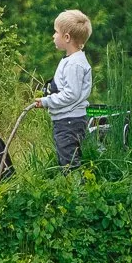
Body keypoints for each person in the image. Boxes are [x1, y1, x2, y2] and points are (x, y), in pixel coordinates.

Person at [36, 9, 94, 168]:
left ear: (67, 37)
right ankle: (74, 185)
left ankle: (74, 189)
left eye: (56, 32)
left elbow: (71, 94)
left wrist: (47, 101)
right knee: (68, 156)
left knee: (68, 160)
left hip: (69, 121)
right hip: (69, 119)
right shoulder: (72, 60)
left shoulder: (74, 64)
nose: (53, 36)